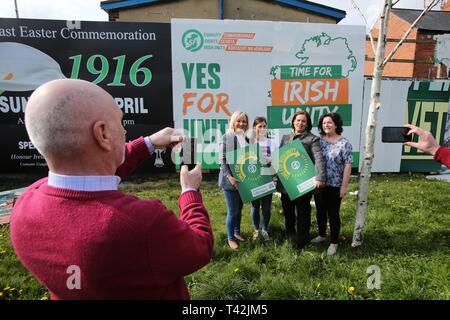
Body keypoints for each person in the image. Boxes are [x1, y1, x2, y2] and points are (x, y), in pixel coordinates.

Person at [10, 79, 214, 300]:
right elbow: (200, 247)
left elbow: (94, 169)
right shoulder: (142, 224)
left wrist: (148, 143)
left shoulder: (23, 208)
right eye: (120, 122)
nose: (124, 130)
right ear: (103, 134)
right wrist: (189, 194)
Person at [277, 110, 326, 249]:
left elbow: (319, 159)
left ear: (307, 124)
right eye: (298, 120)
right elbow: (280, 158)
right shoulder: (286, 138)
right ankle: (290, 233)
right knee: (287, 210)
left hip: (304, 182)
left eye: (303, 121)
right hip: (287, 182)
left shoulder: (313, 139)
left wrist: (320, 178)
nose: (300, 123)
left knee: (303, 211)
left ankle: (302, 239)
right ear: (293, 122)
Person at [311, 112, 352, 256]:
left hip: (335, 185)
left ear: (336, 125)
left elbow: (348, 165)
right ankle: (322, 235)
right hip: (319, 184)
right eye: (323, 123)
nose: (326, 125)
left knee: (333, 214)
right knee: (320, 211)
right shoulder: (318, 141)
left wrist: (344, 186)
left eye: (329, 122)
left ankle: (334, 242)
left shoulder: (344, 143)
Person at [218, 111, 249, 250]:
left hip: (242, 180)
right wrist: (230, 178)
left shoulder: (246, 138)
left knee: (240, 209)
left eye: (244, 121)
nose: (242, 124)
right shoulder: (227, 137)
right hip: (229, 181)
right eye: (239, 121)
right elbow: (222, 160)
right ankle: (230, 238)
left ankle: (236, 232)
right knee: (233, 210)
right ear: (233, 122)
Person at [249, 117, 273, 241]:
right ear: (254, 128)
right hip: (253, 179)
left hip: (267, 177)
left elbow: (275, 159)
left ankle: (265, 229)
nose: (263, 129)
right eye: (260, 127)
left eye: (264, 126)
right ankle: (256, 230)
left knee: (267, 207)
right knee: (254, 207)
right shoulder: (250, 142)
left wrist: (271, 159)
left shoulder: (271, 142)